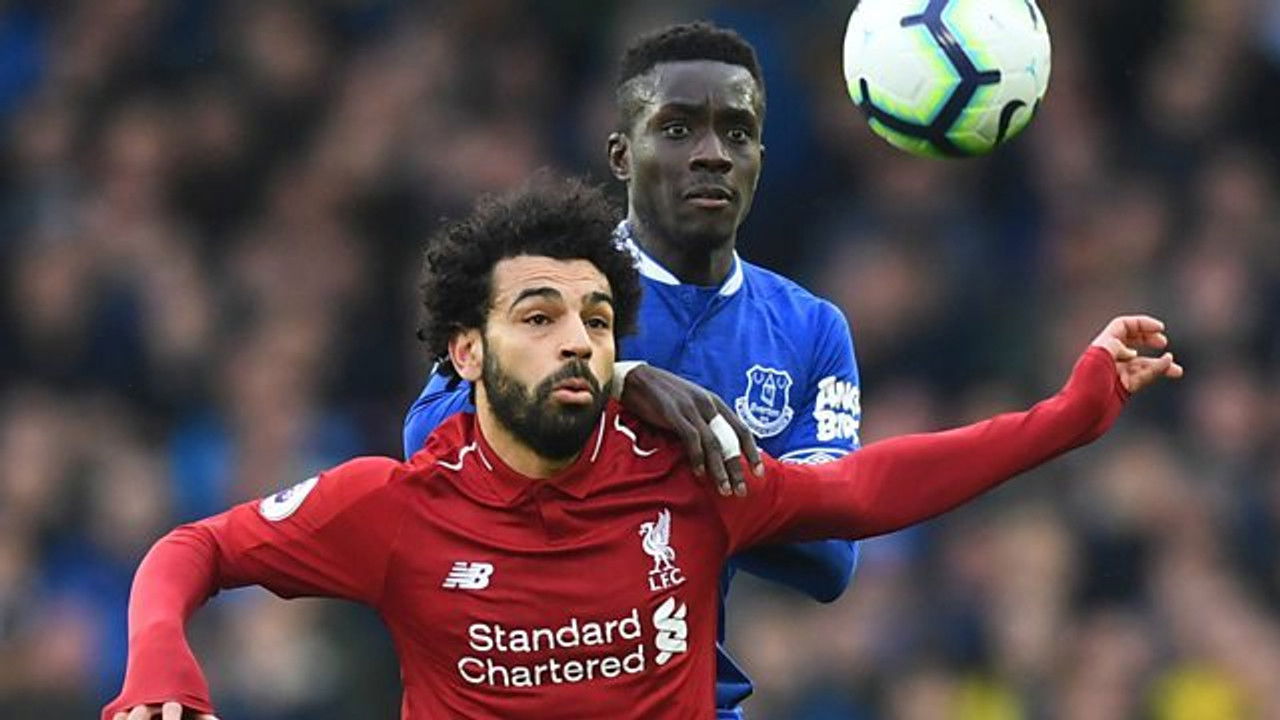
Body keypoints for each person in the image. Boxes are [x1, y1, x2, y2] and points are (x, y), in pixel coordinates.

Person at [103, 175, 1181, 720]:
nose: (575, 339)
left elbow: (863, 488)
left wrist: (1070, 413)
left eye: (596, 318)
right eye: (538, 317)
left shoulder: (690, 474)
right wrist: (160, 662)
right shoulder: (391, 507)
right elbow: (192, 550)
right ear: (466, 351)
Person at [402, 23, 866, 716]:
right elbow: (426, 441)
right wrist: (614, 381)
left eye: (737, 134)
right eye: (677, 129)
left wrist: (678, 453)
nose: (712, 154)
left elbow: (829, 554)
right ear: (621, 154)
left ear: (760, 159)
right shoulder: (544, 289)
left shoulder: (808, 329)